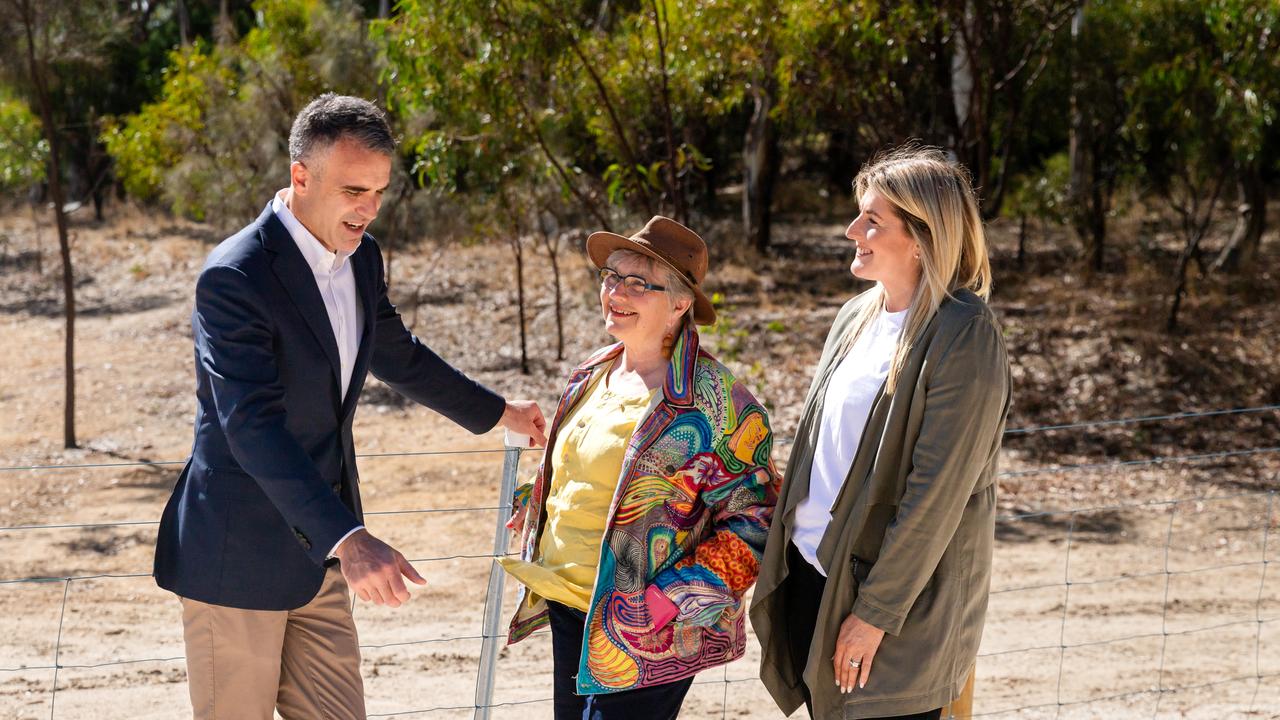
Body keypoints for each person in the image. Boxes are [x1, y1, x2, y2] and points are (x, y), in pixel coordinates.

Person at [153, 93, 547, 720]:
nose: (368, 210)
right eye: (353, 190)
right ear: (301, 176)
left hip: (320, 559)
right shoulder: (235, 275)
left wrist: (499, 411)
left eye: (379, 193)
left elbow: (397, 354)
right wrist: (349, 538)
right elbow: (249, 425)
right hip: (239, 555)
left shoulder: (361, 257)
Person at [750, 145, 1012, 720]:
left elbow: (934, 500)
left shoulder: (963, 334)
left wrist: (874, 614)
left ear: (922, 236)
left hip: (890, 609)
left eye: (873, 220)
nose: (851, 231)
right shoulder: (855, 316)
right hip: (817, 579)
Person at [498, 216, 780, 720]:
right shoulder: (594, 370)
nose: (615, 292)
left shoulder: (718, 403)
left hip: (648, 628)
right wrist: (535, 506)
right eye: (611, 277)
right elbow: (585, 472)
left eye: (638, 284)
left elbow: (755, 524)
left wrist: (670, 599)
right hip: (571, 603)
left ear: (679, 303)